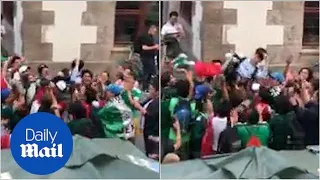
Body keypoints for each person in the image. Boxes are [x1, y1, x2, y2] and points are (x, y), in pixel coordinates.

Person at [136, 24, 159, 91]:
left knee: (150, 73)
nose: (154, 33)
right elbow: (144, 47)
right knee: (147, 72)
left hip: (151, 57)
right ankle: (144, 87)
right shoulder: (145, 37)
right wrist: (154, 47)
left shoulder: (151, 37)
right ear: (150, 29)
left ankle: (147, 87)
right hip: (146, 57)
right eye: (154, 31)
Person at [142, 78, 160, 159]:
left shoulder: (157, 103)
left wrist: (143, 112)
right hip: (147, 132)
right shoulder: (150, 99)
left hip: (152, 134)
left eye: (151, 89)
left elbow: (151, 116)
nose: (149, 91)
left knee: (151, 155)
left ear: (157, 91)